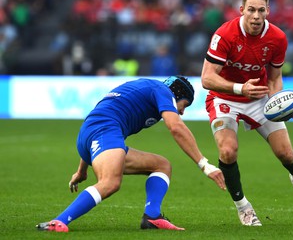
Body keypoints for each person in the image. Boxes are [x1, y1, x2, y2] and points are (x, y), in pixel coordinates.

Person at [201, 0, 293, 226]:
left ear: (268, 10)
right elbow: (207, 78)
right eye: (251, 10)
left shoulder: (277, 38)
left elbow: (276, 77)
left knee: (286, 154)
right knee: (227, 151)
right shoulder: (224, 35)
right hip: (225, 98)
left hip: (259, 98)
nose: (256, 16)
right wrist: (239, 88)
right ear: (241, 10)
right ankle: (243, 207)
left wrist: (279, 103)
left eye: (261, 11)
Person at [36, 76, 226, 232]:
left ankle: (152, 217)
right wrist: (204, 165)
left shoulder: (145, 87)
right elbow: (176, 127)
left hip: (90, 135)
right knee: (110, 182)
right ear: (176, 95)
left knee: (162, 165)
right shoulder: (163, 91)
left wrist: (81, 171)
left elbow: (101, 117)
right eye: (184, 105)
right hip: (104, 131)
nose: (182, 111)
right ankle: (58, 222)